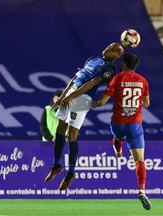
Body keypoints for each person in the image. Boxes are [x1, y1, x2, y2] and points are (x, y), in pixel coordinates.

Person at [44, 42, 124, 191]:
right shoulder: (92, 59)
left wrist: (72, 96)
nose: (108, 48)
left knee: (72, 134)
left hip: (82, 98)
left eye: (113, 49)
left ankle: (71, 173)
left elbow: (93, 82)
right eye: (109, 45)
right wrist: (64, 96)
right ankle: (56, 166)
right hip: (71, 92)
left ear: (117, 55)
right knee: (60, 129)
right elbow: (75, 77)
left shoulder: (110, 68)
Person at [91, 53, 151, 210]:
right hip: (135, 125)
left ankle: (118, 150)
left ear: (123, 64)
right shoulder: (143, 81)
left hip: (118, 123)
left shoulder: (117, 78)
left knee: (118, 137)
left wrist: (92, 104)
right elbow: (146, 103)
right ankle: (142, 191)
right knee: (139, 161)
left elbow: (102, 101)